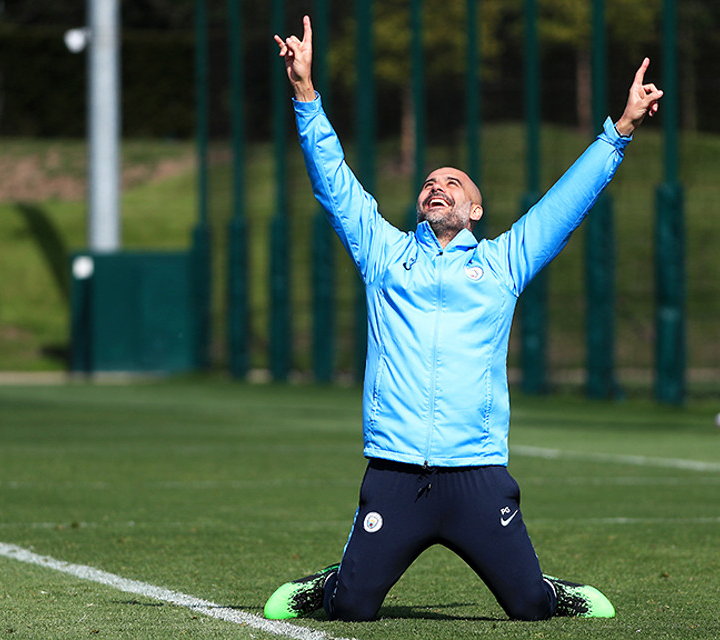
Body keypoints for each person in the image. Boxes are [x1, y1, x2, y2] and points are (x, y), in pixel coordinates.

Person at [264, 15, 662, 623]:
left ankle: (547, 587)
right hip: (396, 473)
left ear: (475, 208)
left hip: (475, 473)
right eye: (428, 182)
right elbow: (335, 182)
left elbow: (563, 204)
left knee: (530, 609)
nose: (437, 186)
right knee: (353, 609)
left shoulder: (504, 264)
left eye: (453, 182)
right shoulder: (385, 254)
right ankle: (336, 583)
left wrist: (622, 129)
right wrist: (305, 94)